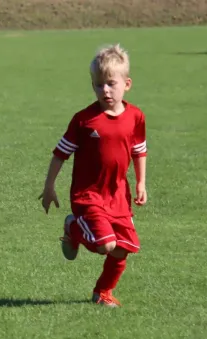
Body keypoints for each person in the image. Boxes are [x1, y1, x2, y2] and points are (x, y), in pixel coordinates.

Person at [39, 44, 148, 308]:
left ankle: (102, 293)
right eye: (98, 85)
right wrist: (49, 186)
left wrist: (142, 182)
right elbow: (60, 154)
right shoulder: (84, 121)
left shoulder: (135, 117)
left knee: (123, 249)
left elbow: (139, 149)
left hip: (118, 196)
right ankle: (74, 227)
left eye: (111, 84)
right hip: (88, 196)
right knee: (107, 245)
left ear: (127, 84)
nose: (105, 91)